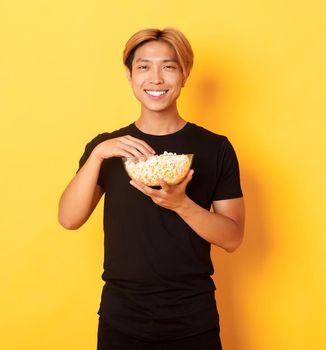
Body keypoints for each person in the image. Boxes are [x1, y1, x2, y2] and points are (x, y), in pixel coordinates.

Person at [58, 27, 245, 350]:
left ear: (184, 75)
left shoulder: (215, 148)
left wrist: (180, 203)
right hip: (122, 317)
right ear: (130, 76)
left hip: (193, 317)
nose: (156, 78)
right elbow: (69, 218)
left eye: (168, 66)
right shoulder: (107, 148)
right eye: (144, 67)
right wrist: (99, 153)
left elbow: (233, 238)